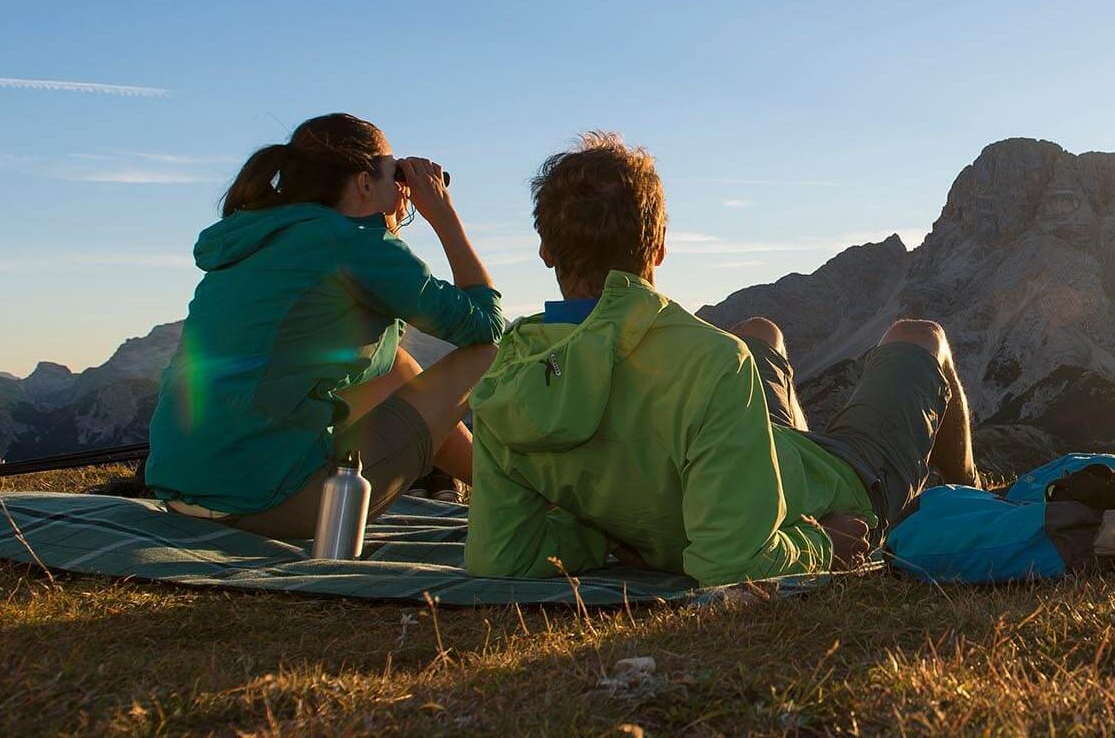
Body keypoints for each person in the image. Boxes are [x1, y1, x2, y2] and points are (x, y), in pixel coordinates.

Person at [464, 132, 979, 586]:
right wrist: (825, 545)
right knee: (920, 335)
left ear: (546, 252)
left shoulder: (507, 379)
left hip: (742, 465)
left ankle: (791, 455)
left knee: (762, 332)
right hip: (841, 488)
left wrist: (612, 541)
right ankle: (971, 492)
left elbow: (503, 557)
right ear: (659, 247)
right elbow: (733, 564)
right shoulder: (711, 360)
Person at [146, 113, 504, 538]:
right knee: (485, 355)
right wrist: (443, 215)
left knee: (396, 366)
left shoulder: (262, 234)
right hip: (272, 503)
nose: (403, 182)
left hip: (187, 494)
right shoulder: (351, 242)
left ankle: (501, 489)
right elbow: (485, 326)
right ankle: (516, 490)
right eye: (394, 169)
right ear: (364, 183)